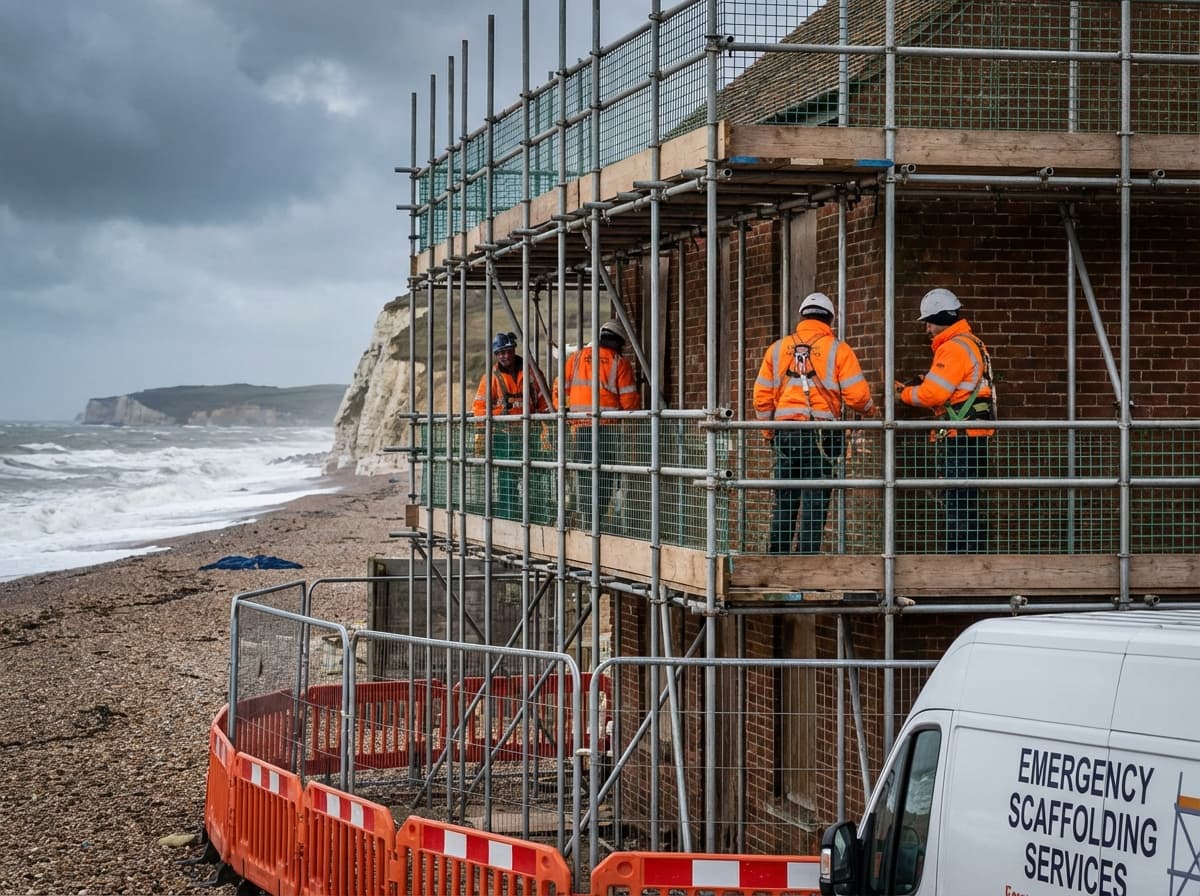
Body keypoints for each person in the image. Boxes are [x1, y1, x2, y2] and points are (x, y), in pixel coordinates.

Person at [753, 292, 879, 554]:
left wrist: (769, 432)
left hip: (785, 432)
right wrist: (871, 411)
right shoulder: (838, 349)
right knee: (816, 499)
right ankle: (807, 561)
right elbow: (857, 396)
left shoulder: (777, 349)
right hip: (823, 434)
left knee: (785, 498)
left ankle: (777, 560)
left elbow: (762, 398)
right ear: (829, 320)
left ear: (802, 318)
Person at [894, 288, 995, 553]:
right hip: (974, 434)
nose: (927, 329)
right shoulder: (973, 343)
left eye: (928, 322)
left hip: (959, 437)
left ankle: (958, 564)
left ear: (939, 318)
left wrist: (903, 394)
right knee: (967, 502)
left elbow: (933, 394)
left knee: (956, 502)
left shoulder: (952, 348)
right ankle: (969, 561)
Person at [553, 319, 641, 530]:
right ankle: (596, 522)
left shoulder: (575, 359)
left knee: (583, 474)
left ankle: (585, 519)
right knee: (605, 476)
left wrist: (564, 411)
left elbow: (558, 390)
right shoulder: (618, 362)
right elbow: (630, 402)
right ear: (618, 342)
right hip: (607, 429)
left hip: (580, 428)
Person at [474, 332, 549, 519]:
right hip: (504, 436)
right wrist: (482, 435)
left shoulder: (532, 374)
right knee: (507, 480)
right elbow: (480, 407)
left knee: (535, 478)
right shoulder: (490, 377)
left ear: (514, 350)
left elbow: (544, 404)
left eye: (507, 351)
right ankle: (509, 517)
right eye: (500, 353)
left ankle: (535, 515)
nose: (504, 356)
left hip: (530, 435)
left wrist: (547, 429)